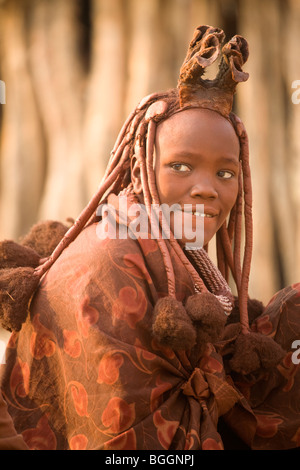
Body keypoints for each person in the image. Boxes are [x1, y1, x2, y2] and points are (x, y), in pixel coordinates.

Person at [0, 25, 299, 450]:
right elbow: (125, 441)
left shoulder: (177, 255)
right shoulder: (108, 269)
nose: (207, 188)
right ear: (143, 169)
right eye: (181, 167)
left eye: (225, 173)